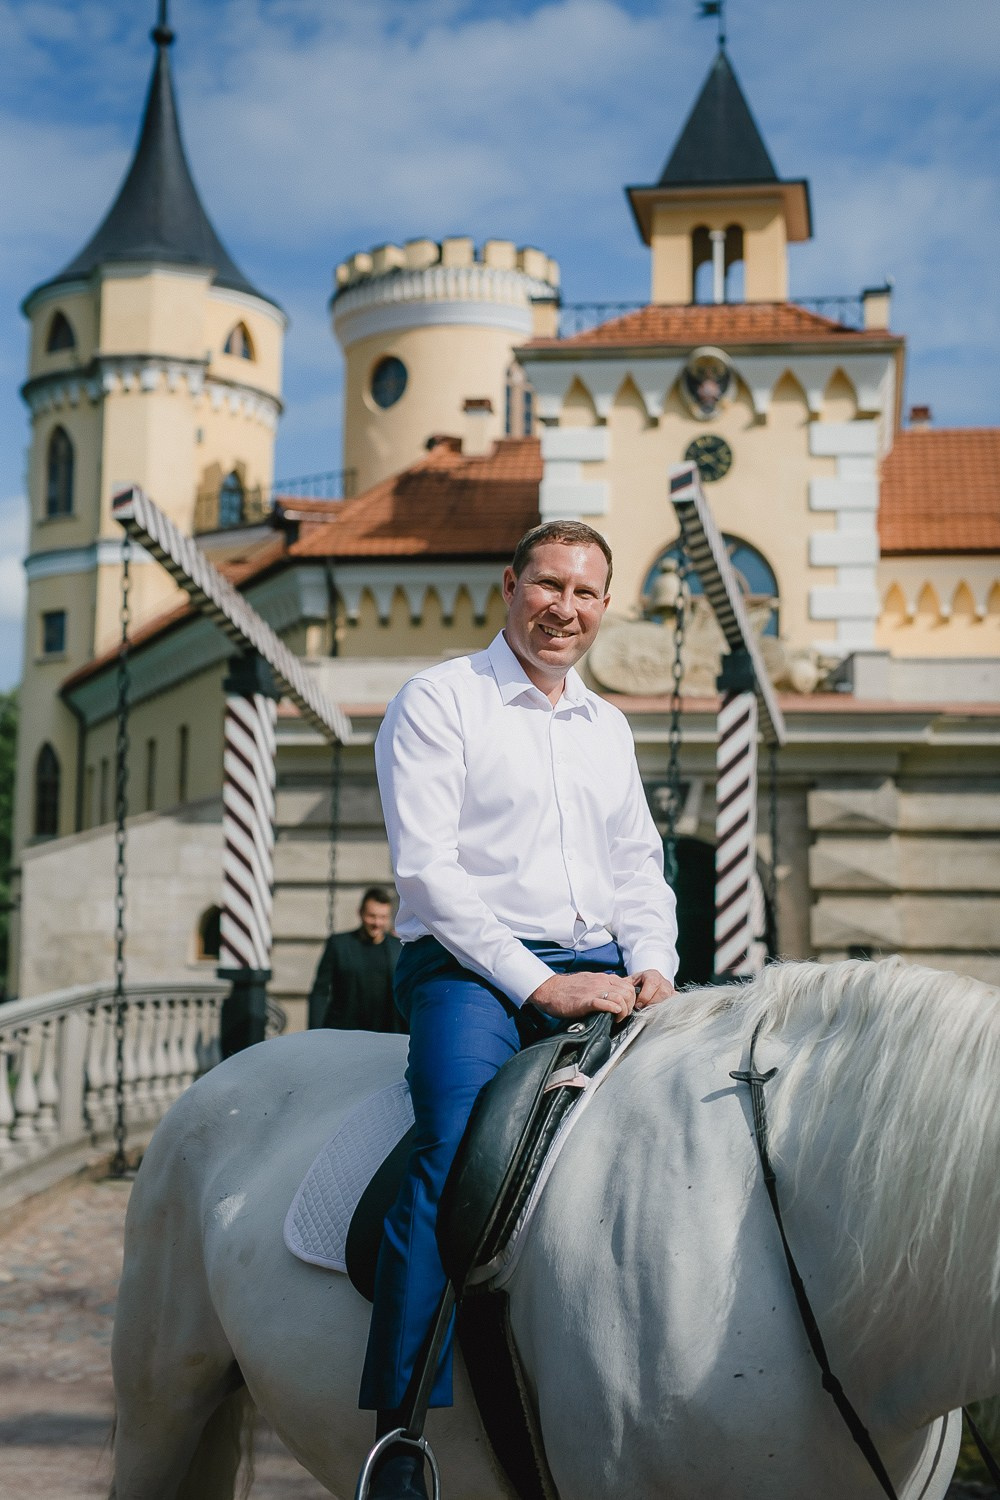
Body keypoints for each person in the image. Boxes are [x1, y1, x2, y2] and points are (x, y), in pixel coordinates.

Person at [361, 520, 678, 1499]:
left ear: (604, 605)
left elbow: (638, 870)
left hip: (602, 964)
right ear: (510, 584)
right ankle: (401, 1434)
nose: (564, 610)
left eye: (585, 594)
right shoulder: (439, 702)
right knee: (457, 1149)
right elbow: (429, 874)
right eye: (549, 586)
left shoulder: (607, 727)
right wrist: (537, 986)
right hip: (466, 967)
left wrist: (655, 967)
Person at [307, 887, 405, 1033]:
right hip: (343, 1032)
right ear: (360, 913)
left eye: (383, 917)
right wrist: (314, 1032)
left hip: (387, 1033)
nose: (377, 922)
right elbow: (320, 991)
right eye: (372, 916)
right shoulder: (338, 945)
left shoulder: (399, 947)